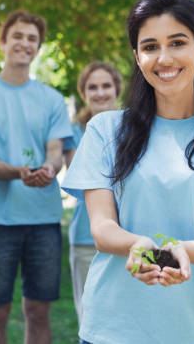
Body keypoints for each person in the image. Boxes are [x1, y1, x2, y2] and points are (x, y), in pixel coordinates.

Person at [62, 0, 194, 343]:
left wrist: (181, 252)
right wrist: (139, 245)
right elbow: (102, 229)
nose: (164, 58)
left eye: (177, 43)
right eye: (150, 47)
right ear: (137, 56)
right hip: (113, 329)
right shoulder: (104, 130)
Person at [0, 10, 73, 344]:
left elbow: (55, 150)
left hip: (43, 220)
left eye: (32, 39)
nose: (24, 44)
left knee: (38, 310)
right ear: (2, 41)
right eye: (17, 36)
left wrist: (50, 168)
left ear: (38, 47)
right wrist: (20, 172)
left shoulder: (52, 99)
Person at [63, 61, 122, 323]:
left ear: (116, 89)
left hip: (130, 235)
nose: (100, 93)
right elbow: (85, 175)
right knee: (91, 320)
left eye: (106, 86)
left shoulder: (135, 127)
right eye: (92, 87)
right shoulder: (74, 131)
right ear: (83, 93)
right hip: (87, 237)